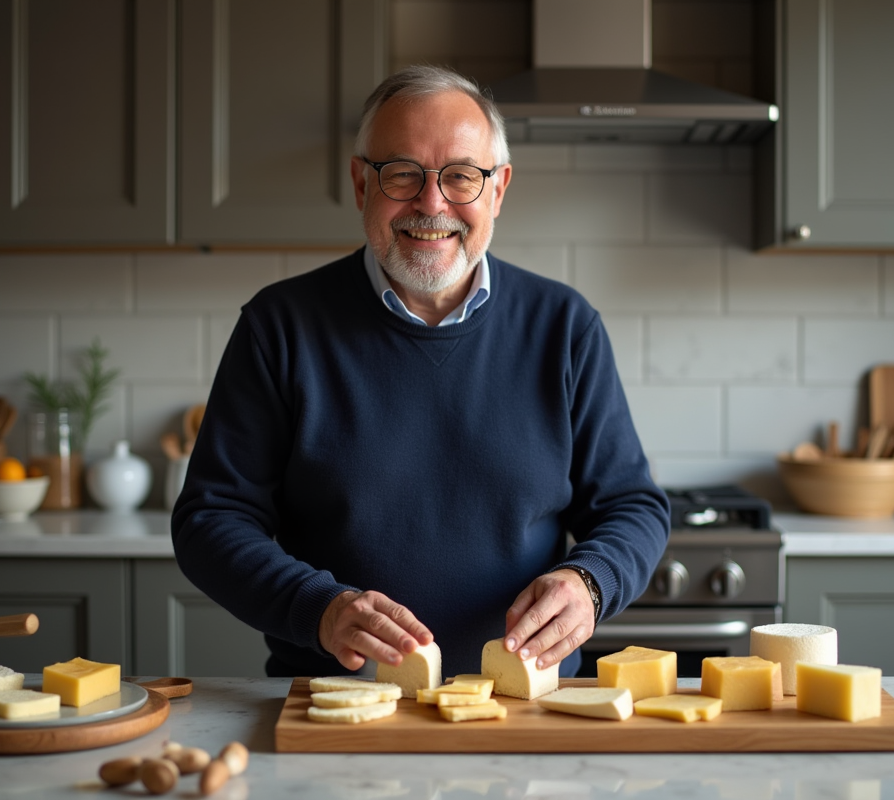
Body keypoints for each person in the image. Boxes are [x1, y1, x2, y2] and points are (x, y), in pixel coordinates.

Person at [171, 65, 670, 680]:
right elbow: (209, 521)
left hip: (525, 710)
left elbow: (632, 506)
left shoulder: (565, 327)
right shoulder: (279, 326)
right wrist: (320, 609)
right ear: (360, 184)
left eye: (461, 176)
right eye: (402, 173)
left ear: (498, 189)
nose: (432, 203)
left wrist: (590, 583)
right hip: (337, 710)